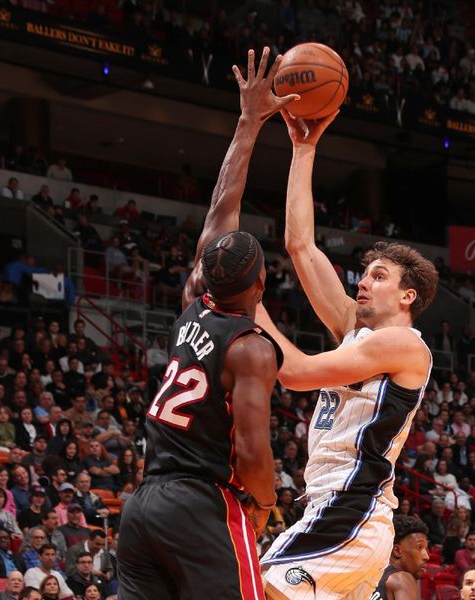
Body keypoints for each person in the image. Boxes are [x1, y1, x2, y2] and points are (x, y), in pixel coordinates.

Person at [117, 46, 296, 600]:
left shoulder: (196, 298)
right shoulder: (251, 348)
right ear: (262, 286)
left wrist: (248, 121)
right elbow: (252, 452)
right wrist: (265, 505)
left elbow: (223, 205)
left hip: (143, 507)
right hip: (200, 507)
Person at [257, 113, 438, 597]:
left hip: (351, 510)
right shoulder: (356, 331)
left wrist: (248, 303)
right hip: (334, 508)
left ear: (408, 297)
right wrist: (303, 148)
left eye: (379, 276)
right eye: (365, 273)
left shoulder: (405, 346)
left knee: (249, 588)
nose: (363, 281)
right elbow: (299, 245)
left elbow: (294, 373)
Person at [372, 515, 429, 600]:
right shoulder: (402, 579)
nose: (426, 556)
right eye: (419, 547)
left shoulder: (369, 577)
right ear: (397, 551)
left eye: (426, 549)